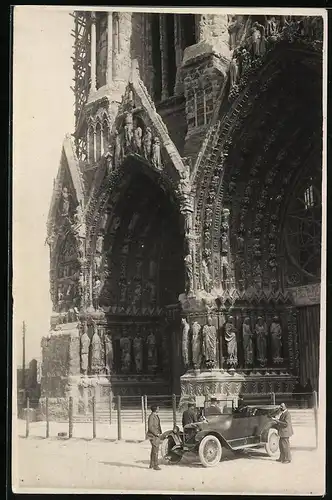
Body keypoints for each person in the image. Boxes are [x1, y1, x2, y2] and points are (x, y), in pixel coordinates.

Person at [146, 405, 162, 470]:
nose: (159, 409)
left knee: (154, 450)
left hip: (156, 435)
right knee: (155, 450)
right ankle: (155, 465)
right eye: (158, 408)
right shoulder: (151, 417)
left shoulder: (155, 416)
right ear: (155, 409)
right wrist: (156, 433)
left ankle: (151, 464)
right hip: (153, 436)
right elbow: (150, 427)